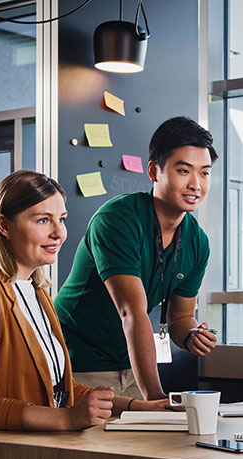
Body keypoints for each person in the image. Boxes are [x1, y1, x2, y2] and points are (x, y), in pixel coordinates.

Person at [0, 170, 170, 433]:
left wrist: (138, 407)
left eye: (61, 219)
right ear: (3, 226)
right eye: (42, 220)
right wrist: (67, 419)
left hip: (34, 444)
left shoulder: (36, 291)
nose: (58, 233)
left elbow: (60, 388)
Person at [54, 116, 218, 401]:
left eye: (204, 173)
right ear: (154, 171)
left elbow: (179, 316)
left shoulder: (197, 242)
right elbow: (132, 312)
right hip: (77, 362)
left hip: (131, 365)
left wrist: (191, 334)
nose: (196, 184)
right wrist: (155, 397)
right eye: (184, 171)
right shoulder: (117, 219)